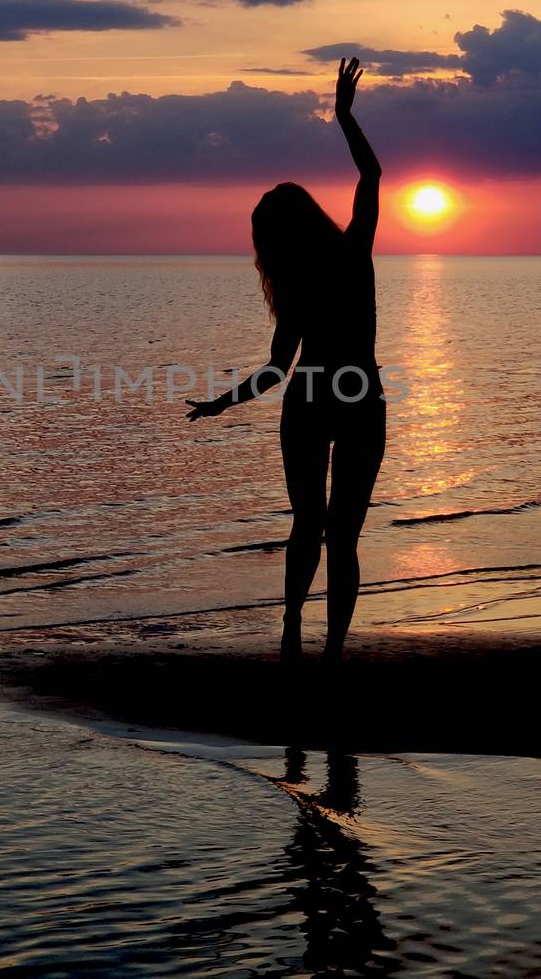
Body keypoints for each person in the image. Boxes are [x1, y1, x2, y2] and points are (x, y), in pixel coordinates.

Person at [186, 58, 386, 663]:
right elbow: (372, 175)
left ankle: (296, 634)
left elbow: (278, 369)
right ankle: (326, 650)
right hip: (357, 399)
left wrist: (224, 402)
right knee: (339, 538)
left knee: (312, 529)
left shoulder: (309, 279)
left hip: (315, 401)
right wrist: (345, 119)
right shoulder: (351, 254)